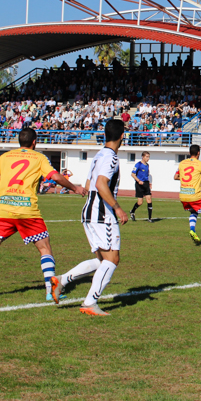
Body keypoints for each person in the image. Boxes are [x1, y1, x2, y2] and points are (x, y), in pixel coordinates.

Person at [0, 127, 86, 302]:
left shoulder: (5, 157)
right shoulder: (39, 158)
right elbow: (56, 177)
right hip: (28, 212)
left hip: (4, 210)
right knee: (45, 249)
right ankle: (49, 291)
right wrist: (75, 188)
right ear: (34, 142)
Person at [52, 119, 128, 316]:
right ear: (121, 136)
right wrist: (118, 208)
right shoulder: (111, 157)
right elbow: (102, 184)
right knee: (112, 260)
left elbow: (88, 184)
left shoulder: (98, 155)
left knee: (102, 260)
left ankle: (62, 280)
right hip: (102, 214)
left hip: (89, 211)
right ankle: (89, 302)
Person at [174, 144, 201, 246]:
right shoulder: (200, 164)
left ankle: (192, 230)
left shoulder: (182, 163)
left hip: (183, 194)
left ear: (189, 153)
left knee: (194, 212)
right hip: (194, 194)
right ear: (198, 153)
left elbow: (175, 177)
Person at [130, 151, 153, 222]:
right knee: (140, 202)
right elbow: (133, 174)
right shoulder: (138, 164)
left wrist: (149, 183)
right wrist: (138, 181)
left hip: (145, 184)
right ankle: (132, 211)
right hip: (139, 184)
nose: (148, 158)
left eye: (148, 157)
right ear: (143, 157)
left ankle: (150, 218)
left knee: (149, 200)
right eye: (146, 157)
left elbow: (147, 175)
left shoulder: (147, 165)